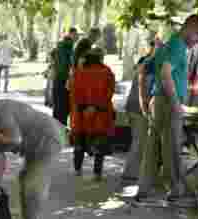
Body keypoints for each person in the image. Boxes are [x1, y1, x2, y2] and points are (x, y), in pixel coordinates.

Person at [135, 14, 198, 206]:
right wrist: (176, 104)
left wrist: (144, 100)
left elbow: (143, 69)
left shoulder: (167, 45)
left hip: (158, 102)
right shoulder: (177, 46)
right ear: (190, 28)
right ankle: (175, 190)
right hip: (167, 103)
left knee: (153, 148)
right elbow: (165, 72)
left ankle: (144, 188)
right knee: (172, 148)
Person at [70, 46, 116, 180]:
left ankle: (77, 170)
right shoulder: (107, 72)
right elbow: (109, 92)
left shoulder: (79, 72)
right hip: (100, 115)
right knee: (99, 146)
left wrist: (84, 107)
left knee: (79, 145)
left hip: (81, 115)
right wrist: (95, 106)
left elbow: (73, 92)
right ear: (100, 58)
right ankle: (97, 173)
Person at [123, 36, 162, 183]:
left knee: (138, 141)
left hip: (133, 108)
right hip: (139, 109)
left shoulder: (144, 62)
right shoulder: (150, 65)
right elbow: (145, 90)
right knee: (139, 141)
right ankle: (131, 173)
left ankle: (133, 172)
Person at [52, 27, 78, 124]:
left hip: (58, 80)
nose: (77, 37)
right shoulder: (68, 47)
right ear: (71, 34)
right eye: (76, 35)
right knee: (63, 109)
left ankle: (56, 130)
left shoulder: (60, 46)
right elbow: (65, 66)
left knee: (58, 109)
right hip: (63, 81)